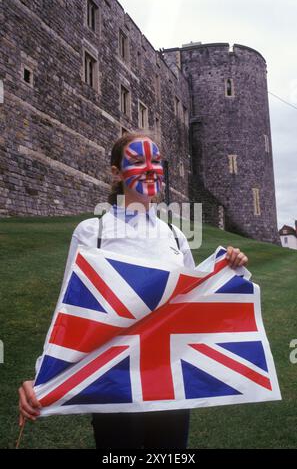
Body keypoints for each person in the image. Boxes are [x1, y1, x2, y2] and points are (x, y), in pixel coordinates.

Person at [18, 131, 249, 449]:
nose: (151, 168)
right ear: (116, 173)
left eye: (156, 161)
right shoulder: (92, 232)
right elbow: (70, 312)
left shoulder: (175, 236)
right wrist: (41, 378)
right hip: (114, 382)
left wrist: (230, 268)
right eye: (138, 161)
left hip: (168, 381)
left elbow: (193, 304)